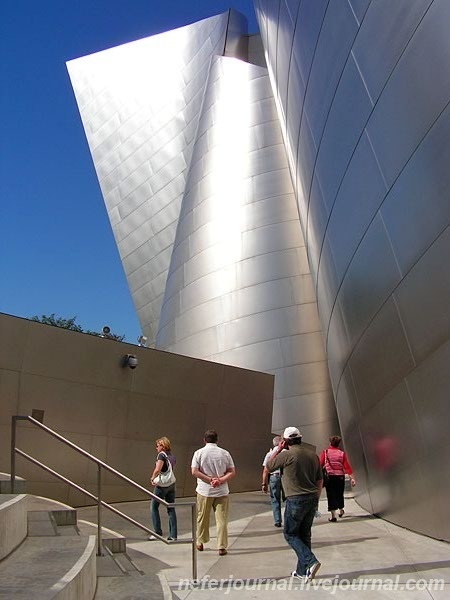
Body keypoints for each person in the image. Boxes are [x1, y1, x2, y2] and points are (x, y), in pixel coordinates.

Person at [266, 426, 322, 582]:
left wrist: (278, 449)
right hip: (312, 498)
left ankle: (310, 561)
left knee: (290, 534)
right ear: (300, 438)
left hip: (295, 498)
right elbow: (319, 479)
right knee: (305, 534)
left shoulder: (287, 455)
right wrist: (317, 499)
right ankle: (302, 571)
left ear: (285, 441)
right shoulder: (313, 456)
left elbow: (269, 466)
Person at [191, 429, 236, 556]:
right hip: (222, 491)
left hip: (204, 490)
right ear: (217, 440)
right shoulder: (225, 453)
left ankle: (200, 542)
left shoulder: (198, 453)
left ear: (204, 440)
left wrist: (209, 480)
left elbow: (194, 471)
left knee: (202, 517)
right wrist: (220, 480)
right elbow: (232, 471)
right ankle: (221, 546)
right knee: (222, 520)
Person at [320, 435, 355, 522]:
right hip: (340, 477)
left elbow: (320, 464)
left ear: (330, 443)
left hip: (330, 477)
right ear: (338, 444)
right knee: (339, 493)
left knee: (331, 495)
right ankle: (341, 509)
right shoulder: (341, 453)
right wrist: (352, 478)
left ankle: (333, 516)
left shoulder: (325, 452)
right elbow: (347, 467)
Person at [149, 436, 177, 541]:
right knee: (171, 508)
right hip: (171, 485)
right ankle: (173, 535)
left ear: (162, 446)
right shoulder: (172, 456)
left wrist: (152, 478)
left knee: (153, 507)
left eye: (157, 446)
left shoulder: (161, 455)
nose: (156, 448)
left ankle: (157, 532)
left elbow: (158, 469)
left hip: (162, 486)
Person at [261, 436, 283, 527]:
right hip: (284, 477)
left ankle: (277, 520)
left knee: (275, 499)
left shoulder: (269, 454)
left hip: (274, 477)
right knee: (288, 499)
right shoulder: (286, 453)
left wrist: (264, 483)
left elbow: (265, 470)